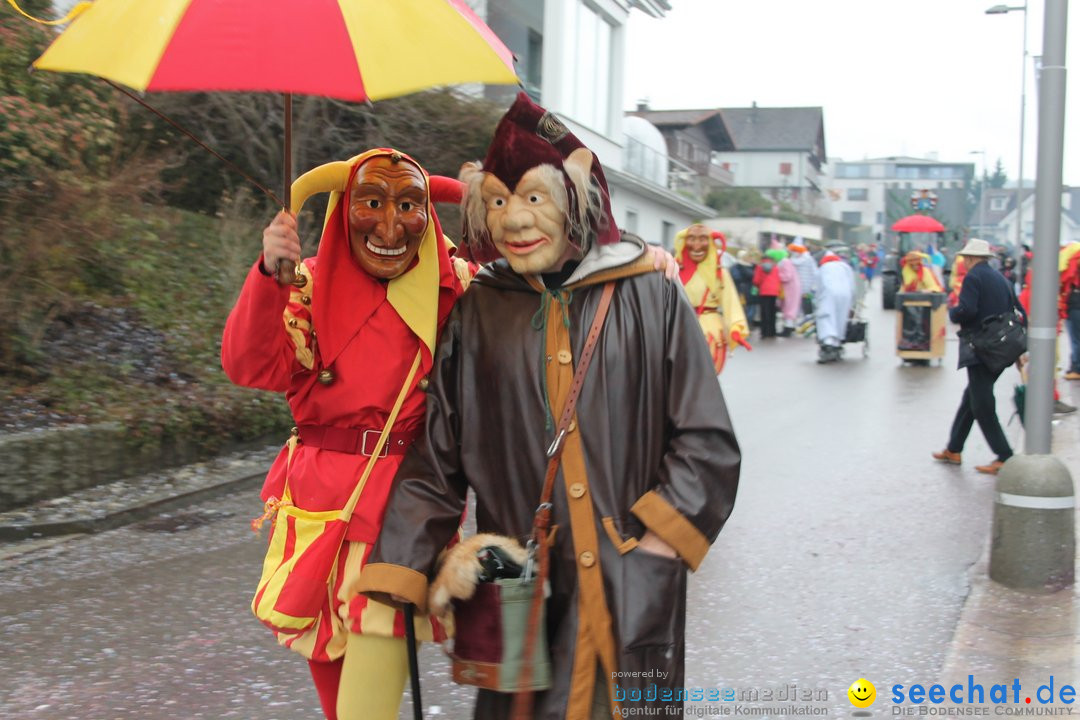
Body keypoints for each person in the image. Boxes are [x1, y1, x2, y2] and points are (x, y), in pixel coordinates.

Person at [357, 93, 740, 719]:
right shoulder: (479, 311)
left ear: (576, 202)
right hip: (524, 590)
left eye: (532, 199)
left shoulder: (650, 296)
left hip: (630, 578)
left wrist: (659, 545)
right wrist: (402, 569)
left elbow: (706, 439)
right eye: (499, 202)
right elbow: (439, 455)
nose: (513, 222)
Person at [221, 149, 469, 720]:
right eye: (371, 203)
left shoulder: (454, 284)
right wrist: (267, 273)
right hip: (319, 506)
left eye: (408, 204)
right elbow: (251, 365)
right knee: (330, 658)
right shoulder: (303, 285)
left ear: (426, 211)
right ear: (342, 210)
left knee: (369, 693)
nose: (388, 226)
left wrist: (625, 263)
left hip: (407, 503)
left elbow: (533, 301)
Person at [932, 238, 1026, 475]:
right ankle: (953, 448)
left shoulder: (973, 278)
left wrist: (952, 313)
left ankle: (1004, 455)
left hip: (981, 348)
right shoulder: (1001, 279)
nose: (963, 262)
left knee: (982, 404)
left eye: (964, 258)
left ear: (971, 258)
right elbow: (1020, 310)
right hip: (1001, 349)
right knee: (971, 398)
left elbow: (968, 310)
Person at [674, 224, 752, 374]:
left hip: (710, 330)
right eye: (692, 240)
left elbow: (731, 303)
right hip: (679, 326)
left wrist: (736, 328)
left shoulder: (720, 273)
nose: (696, 246)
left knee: (706, 377)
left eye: (702, 240)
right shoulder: (673, 270)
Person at [813, 250, 855, 364]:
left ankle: (828, 343)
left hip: (828, 294)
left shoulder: (823, 268)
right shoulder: (845, 267)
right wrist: (852, 304)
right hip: (845, 295)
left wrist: (816, 303)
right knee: (840, 319)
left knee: (826, 317)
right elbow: (852, 285)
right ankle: (837, 344)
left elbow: (818, 287)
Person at [753, 251, 782, 338]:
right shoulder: (775, 267)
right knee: (772, 312)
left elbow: (756, 280)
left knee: (764, 312)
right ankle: (772, 331)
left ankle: (764, 332)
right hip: (774, 292)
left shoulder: (759, 267)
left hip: (764, 291)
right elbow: (778, 279)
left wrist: (759, 286)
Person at [788, 241, 818, 324]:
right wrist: (813, 287)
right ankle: (802, 324)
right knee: (804, 308)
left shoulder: (791, 261)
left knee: (797, 308)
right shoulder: (809, 259)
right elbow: (815, 273)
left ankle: (796, 324)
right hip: (805, 288)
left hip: (796, 288)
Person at [774, 248, 802, 337]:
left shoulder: (785, 262)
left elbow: (787, 276)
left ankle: (788, 328)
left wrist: (775, 275)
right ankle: (789, 327)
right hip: (789, 288)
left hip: (790, 288)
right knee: (789, 307)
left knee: (789, 308)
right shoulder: (786, 261)